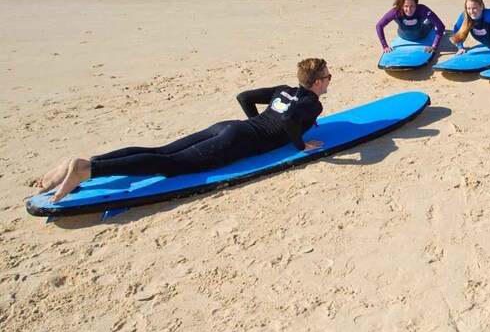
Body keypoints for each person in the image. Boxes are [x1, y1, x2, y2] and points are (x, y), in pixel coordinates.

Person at [34, 58, 332, 203]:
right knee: (170, 165)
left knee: (161, 151)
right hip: (236, 142)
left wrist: (255, 125)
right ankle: (88, 170)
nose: (329, 80)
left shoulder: (284, 89)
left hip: (229, 128)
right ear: (317, 83)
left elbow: (245, 97)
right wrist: (299, 146)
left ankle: (88, 162)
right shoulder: (312, 104)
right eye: (328, 76)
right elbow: (292, 119)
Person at [376, 0, 446, 54]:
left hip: (422, 34)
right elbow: (379, 26)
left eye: (412, 6)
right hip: (402, 35)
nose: (409, 9)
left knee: (430, 23)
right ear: (402, 6)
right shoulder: (396, 12)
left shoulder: (422, 9)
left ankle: (430, 23)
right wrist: (385, 46)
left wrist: (434, 46)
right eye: (406, 6)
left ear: (416, 5)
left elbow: (441, 26)